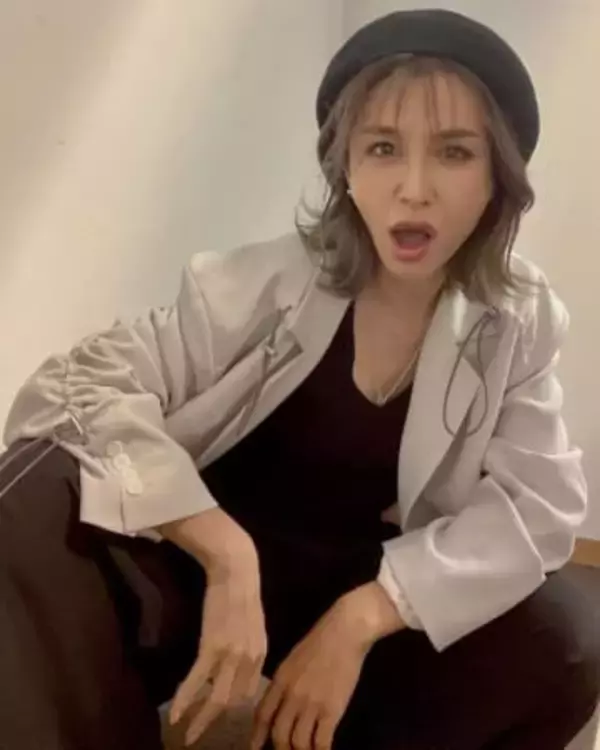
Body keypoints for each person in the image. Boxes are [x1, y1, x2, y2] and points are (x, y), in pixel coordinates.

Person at [0, 8, 598, 750]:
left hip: (361, 587)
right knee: (32, 490)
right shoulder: (263, 286)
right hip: (201, 584)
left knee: (569, 641)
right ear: (346, 168)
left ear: (495, 177)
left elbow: (537, 510)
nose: (414, 188)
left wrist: (362, 617)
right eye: (383, 148)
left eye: (454, 152)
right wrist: (224, 552)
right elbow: (72, 390)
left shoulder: (518, 319)